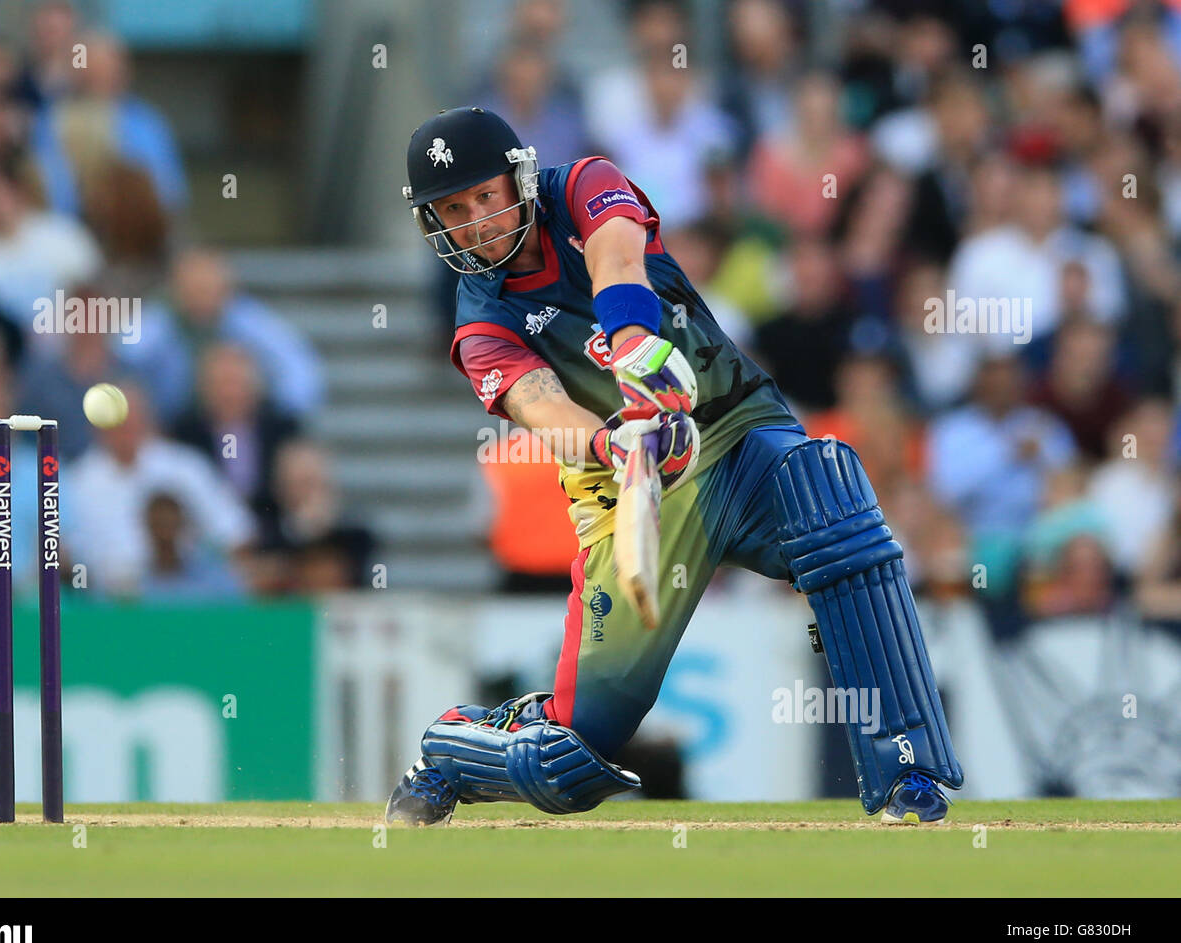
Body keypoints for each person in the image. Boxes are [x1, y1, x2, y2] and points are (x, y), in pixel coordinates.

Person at [386, 107, 963, 826]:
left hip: (736, 428)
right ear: (433, 224)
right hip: (630, 493)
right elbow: (541, 407)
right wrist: (612, 443)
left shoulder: (585, 185)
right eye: (453, 210)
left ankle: (905, 774)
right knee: (564, 765)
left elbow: (619, 260)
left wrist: (634, 351)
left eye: (485, 196)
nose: (477, 221)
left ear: (520, 181)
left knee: (831, 498)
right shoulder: (480, 326)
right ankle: (454, 747)